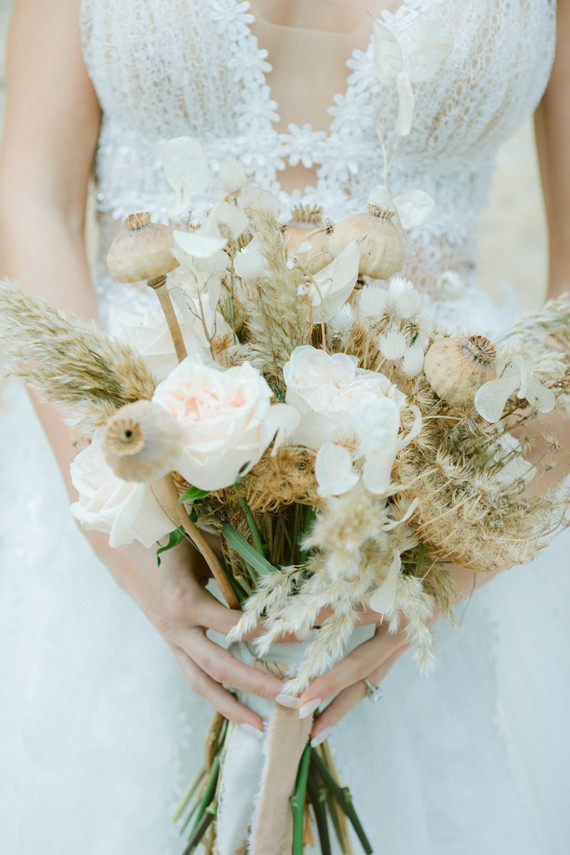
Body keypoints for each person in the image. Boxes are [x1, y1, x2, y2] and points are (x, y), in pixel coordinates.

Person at [0, 1, 568, 853]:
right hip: (129, 507)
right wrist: (127, 522)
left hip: (445, 502)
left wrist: (448, 567)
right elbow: (32, 189)